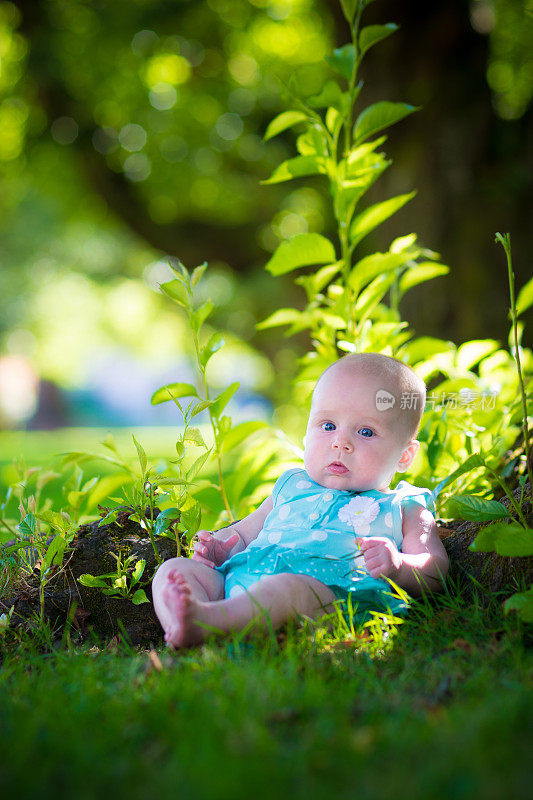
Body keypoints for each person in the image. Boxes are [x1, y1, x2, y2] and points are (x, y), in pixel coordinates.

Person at [152, 353, 449, 648]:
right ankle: (183, 624)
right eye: (328, 425)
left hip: (325, 596)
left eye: (366, 432)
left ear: (405, 455)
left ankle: (207, 623)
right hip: (242, 582)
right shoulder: (292, 486)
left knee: (286, 588)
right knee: (174, 570)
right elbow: (242, 534)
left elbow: (435, 568)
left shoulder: (405, 506)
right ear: (307, 433)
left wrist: (398, 564)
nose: (340, 443)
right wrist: (219, 548)